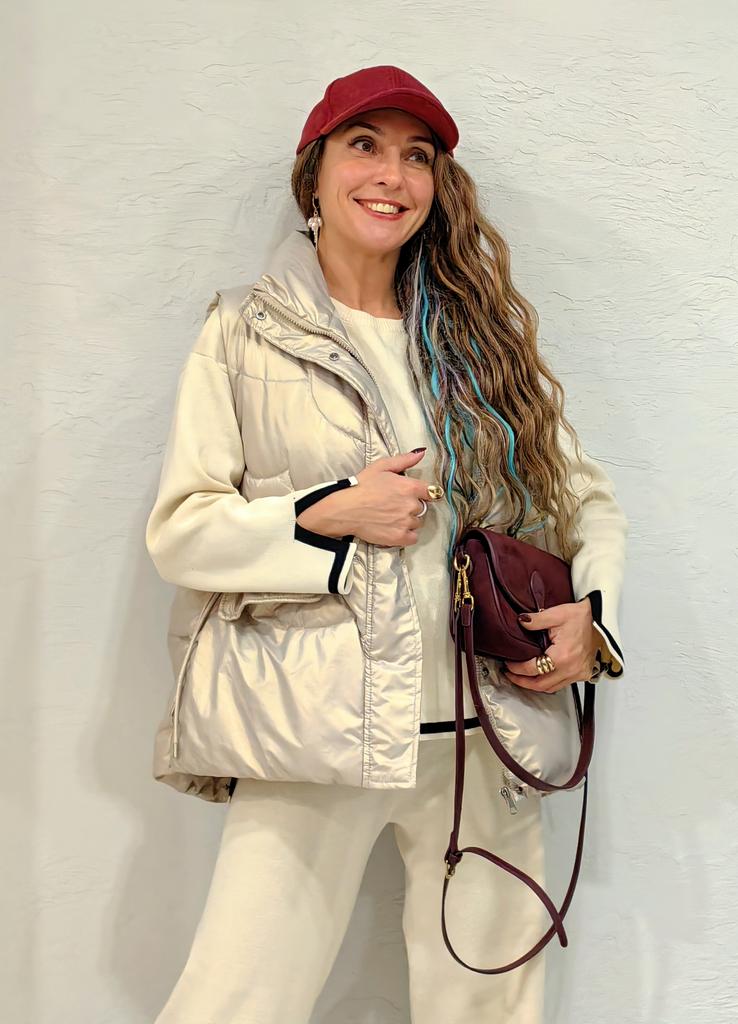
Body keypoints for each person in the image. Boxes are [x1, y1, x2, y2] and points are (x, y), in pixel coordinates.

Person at [145, 64, 628, 1023]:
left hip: (485, 735)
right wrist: (329, 513)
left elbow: (588, 503)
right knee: (236, 1002)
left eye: (417, 156)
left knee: (492, 1009)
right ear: (314, 173)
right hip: (312, 732)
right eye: (363, 145)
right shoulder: (244, 331)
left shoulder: (481, 346)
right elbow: (183, 532)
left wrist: (594, 619)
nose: (391, 175)